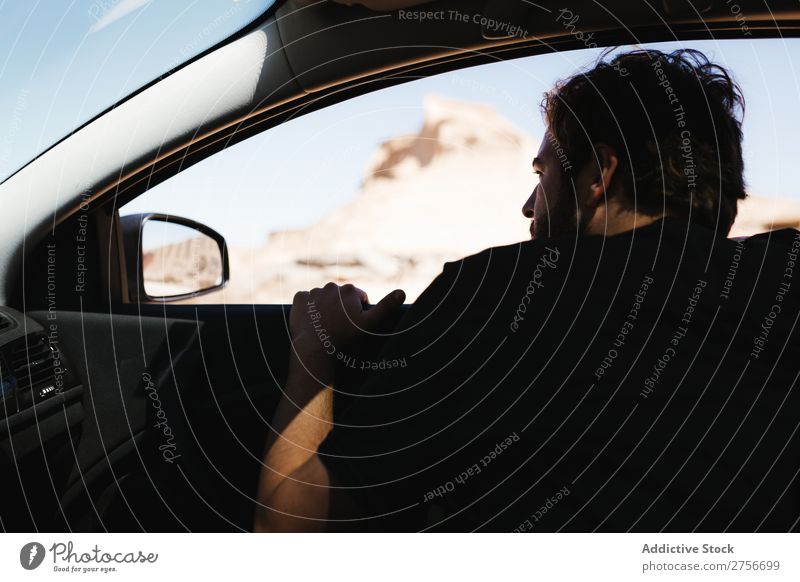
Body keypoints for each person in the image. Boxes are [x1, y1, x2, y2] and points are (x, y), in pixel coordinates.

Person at [254, 48, 800, 532]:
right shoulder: (782, 277)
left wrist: (315, 360)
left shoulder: (496, 294)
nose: (529, 207)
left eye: (543, 175)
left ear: (599, 176)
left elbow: (296, 533)